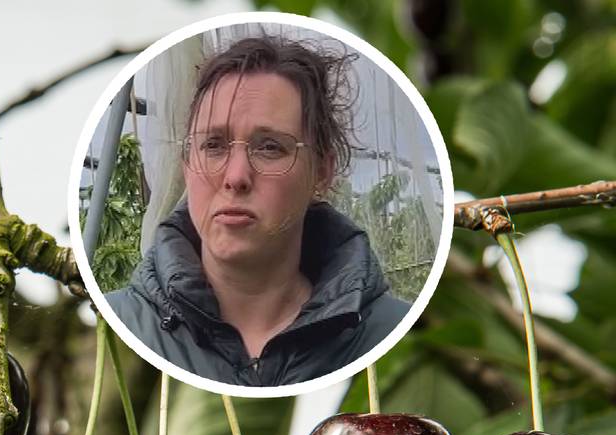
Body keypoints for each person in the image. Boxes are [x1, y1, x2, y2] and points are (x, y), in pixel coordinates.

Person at [105, 34, 410, 387]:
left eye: (269, 148)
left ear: (321, 172)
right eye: (213, 145)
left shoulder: (392, 334)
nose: (236, 177)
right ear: (187, 163)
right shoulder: (118, 327)